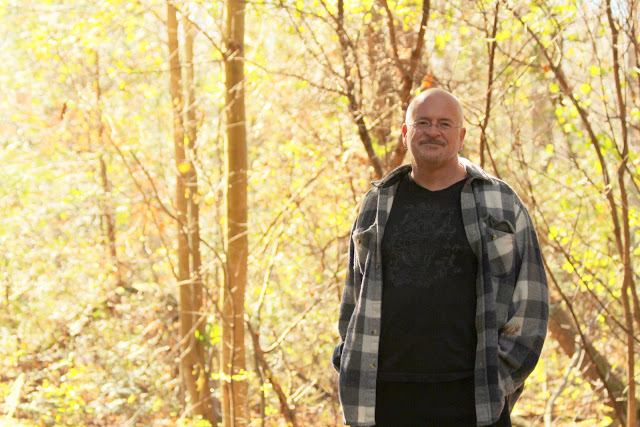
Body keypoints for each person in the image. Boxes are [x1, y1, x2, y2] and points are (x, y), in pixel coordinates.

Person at [332, 88, 548, 426]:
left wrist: (500, 378)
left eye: (445, 124)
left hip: (472, 401)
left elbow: (531, 302)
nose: (433, 131)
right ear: (406, 133)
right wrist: (347, 359)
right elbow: (353, 297)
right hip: (384, 399)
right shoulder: (377, 204)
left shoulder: (501, 204)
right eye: (423, 122)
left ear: (461, 136)